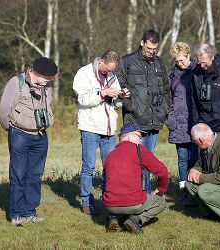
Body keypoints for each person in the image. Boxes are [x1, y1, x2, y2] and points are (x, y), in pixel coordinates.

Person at [0, 57, 58, 226]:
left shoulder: (46, 87)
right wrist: (11, 130)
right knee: (18, 175)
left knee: (35, 176)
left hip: (40, 136)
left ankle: (30, 212)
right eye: (48, 77)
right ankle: (16, 214)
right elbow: (3, 110)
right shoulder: (16, 83)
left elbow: (48, 107)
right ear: (36, 73)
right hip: (19, 135)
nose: (50, 81)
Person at [73, 50, 128, 215]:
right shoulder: (84, 73)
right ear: (101, 62)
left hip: (109, 129)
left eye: (112, 70)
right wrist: (102, 93)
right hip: (90, 127)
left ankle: (108, 200)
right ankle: (86, 202)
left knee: (110, 167)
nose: (108, 72)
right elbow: (82, 99)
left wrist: (121, 97)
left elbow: (116, 103)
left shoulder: (112, 76)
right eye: (106, 69)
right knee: (89, 166)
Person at [117, 29, 170, 193]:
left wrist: (165, 109)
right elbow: (118, 85)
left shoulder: (159, 63)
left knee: (148, 159)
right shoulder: (127, 61)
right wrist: (129, 105)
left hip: (154, 119)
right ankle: (133, 192)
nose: (151, 52)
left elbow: (166, 89)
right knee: (134, 159)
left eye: (154, 49)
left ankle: (145, 194)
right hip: (134, 120)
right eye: (149, 48)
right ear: (142, 43)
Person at [103, 123, 168, 234]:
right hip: (133, 203)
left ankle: (113, 218)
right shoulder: (138, 150)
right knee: (161, 203)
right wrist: (161, 189)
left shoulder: (110, 155)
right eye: (139, 136)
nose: (141, 140)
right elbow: (163, 171)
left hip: (109, 205)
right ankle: (135, 220)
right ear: (129, 136)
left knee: (118, 196)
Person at [166, 42, 199, 203]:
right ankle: (183, 190)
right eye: (177, 61)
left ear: (188, 55)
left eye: (182, 60)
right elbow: (168, 96)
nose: (180, 64)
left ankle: (194, 191)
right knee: (182, 158)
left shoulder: (197, 71)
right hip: (177, 122)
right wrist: (169, 115)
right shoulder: (172, 74)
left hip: (193, 121)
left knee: (194, 157)